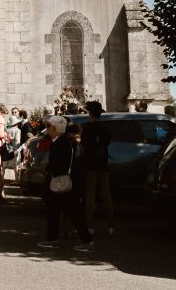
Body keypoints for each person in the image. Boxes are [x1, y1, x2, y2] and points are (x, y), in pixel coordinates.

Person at [37, 115, 92, 252]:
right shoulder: (64, 141)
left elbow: (59, 163)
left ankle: (85, 240)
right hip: (63, 181)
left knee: (71, 212)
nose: (47, 129)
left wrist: (48, 168)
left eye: (49, 126)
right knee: (56, 211)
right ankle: (52, 238)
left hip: (62, 181)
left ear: (55, 128)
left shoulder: (61, 143)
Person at [80, 100, 114, 235]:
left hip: (90, 165)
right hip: (103, 164)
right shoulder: (105, 128)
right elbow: (106, 144)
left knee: (90, 197)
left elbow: (83, 147)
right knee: (106, 196)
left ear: (90, 113)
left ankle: (90, 226)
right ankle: (110, 226)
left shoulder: (87, 128)